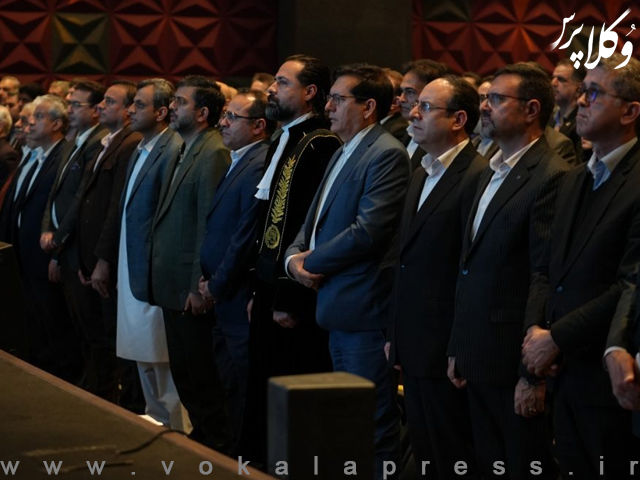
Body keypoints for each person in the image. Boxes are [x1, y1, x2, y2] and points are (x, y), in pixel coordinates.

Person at [286, 63, 409, 479]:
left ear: (369, 106)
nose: (328, 107)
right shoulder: (343, 150)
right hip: (337, 307)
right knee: (350, 422)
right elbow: (313, 221)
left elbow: (368, 232)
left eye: (338, 100)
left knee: (373, 424)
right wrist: (293, 259)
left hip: (364, 311)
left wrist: (309, 262)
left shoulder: (386, 153)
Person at [523, 53, 640, 478]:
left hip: (608, 377)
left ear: (630, 112)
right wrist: (536, 335)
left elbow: (629, 283)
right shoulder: (573, 179)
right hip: (562, 372)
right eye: (583, 91)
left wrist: (557, 337)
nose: (580, 101)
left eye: (594, 93)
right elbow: (545, 270)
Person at [447, 63, 567, 480]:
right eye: (484, 98)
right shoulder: (491, 168)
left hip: (511, 358)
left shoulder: (551, 175)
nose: (484, 106)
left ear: (531, 109)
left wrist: (530, 375)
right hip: (477, 351)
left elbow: (542, 276)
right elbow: (469, 268)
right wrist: (458, 346)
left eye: (496, 99)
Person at [241, 54, 341, 465]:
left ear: (309, 92)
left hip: (292, 295)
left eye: (282, 83)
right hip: (268, 288)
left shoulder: (319, 143)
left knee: (288, 390)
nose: (271, 89)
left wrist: (287, 297)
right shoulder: (288, 137)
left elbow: (304, 225)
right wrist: (258, 289)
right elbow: (267, 222)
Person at [388, 75, 485, 479]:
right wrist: (395, 334)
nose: (413, 113)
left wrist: (457, 346)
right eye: (416, 105)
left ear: (459, 119)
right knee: (426, 451)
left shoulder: (476, 175)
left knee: (452, 456)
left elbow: (469, 272)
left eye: (426, 107)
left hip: (446, 348)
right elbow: (405, 261)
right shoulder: (421, 171)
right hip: (414, 343)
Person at [150, 75, 231, 451]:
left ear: (202, 113)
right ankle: (202, 441)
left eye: (180, 102)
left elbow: (207, 225)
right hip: (171, 284)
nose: (172, 107)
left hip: (190, 287)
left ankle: (217, 450)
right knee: (185, 373)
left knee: (201, 376)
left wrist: (198, 284)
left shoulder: (213, 151)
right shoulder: (183, 147)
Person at [198, 89, 273, 451]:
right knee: (228, 384)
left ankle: (245, 460)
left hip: (237, 295)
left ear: (259, 126)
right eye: (224, 115)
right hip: (222, 294)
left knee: (244, 387)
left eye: (233, 117)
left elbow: (244, 236)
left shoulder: (258, 163)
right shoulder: (239, 158)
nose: (223, 123)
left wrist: (216, 284)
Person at [116, 78, 189, 430]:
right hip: (132, 264)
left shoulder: (172, 148)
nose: (131, 111)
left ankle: (176, 429)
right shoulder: (141, 147)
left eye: (139, 105)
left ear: (161, 113)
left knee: (160, 352)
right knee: (142, 350)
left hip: (154, 269)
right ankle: (157, 418)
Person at [4, 95, 80, 379]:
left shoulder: (63, 156)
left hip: (44, 255)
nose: (29, 124)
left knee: (54, 323)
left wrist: (57, 254)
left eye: (38, 118)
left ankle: (61, 379)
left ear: (57, 124)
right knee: (34, 322)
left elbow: (61, 208)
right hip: (22, 254)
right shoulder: (34, 155)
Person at [397, 59, 448, 169]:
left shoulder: (437, 140)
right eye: (402, 91)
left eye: (410, 92)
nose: (401, 99)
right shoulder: (408, 132)